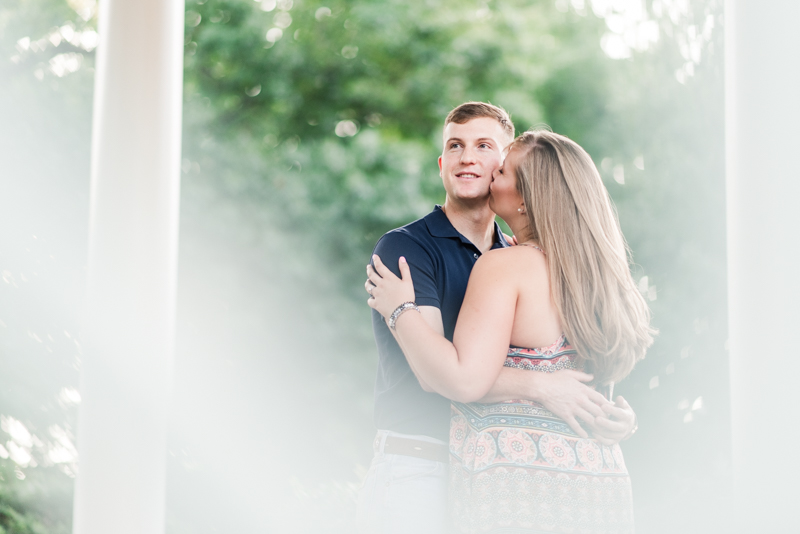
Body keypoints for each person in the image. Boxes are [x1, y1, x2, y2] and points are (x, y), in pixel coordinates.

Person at [356, 103, 639, 534]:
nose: (467, 157)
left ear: (506, 173)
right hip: (424, 461)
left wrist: (607, 412)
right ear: (441, 163)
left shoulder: (514, 260)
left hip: (496, 470)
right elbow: (438, 377)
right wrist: (544, 386)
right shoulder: (407, 248)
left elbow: (573, 379)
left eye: (486, 148)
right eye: (455, 146)